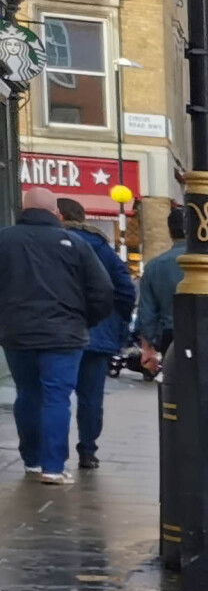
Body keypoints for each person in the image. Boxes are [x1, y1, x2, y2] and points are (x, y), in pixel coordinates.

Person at [1, 194, 117, 484]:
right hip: (64, 335)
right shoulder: (76, 245)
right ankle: (54, 467)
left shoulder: (5, 240)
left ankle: (32, 460)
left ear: (23, 208)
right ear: (56, 212)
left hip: (17, 333)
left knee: (27, 394)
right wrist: (84, 320)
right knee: (57, 398)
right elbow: (103, 291)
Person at [55, 197, 135, 471]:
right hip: (98, 333)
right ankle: (87, 451)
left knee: (56, 394)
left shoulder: (53, 245)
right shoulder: (102, 247)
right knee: (91, 397)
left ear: (60, 216)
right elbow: (125, 289)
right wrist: (117, 322)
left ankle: (54, 454)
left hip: (59, 331)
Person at [133, 203, 187, 367]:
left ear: (170, 231)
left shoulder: (155, 266)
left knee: (176, 384)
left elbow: (147, 311)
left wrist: (149, 345)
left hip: (170, 336)